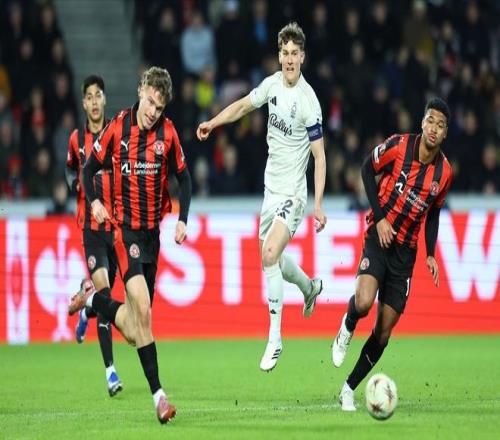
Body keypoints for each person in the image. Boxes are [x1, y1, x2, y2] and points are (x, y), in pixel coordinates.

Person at [197, 22, 327, 372]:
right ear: (279, 56)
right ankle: (309, 287)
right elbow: (242, 106)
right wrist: (214, 122)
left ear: (303, 57)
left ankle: (275, 338)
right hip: (270, 193)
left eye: (295, 53)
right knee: (273, 260)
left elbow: (319, 157)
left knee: (269, 253)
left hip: (293, 194)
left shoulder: (308, 102)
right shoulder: (271, 85)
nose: (289, 59)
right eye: (284, 53)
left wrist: (317, 204)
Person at [68, 67, 192, 424]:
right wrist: (94, 201)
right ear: (140, 91)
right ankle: (159, 398)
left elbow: (184, 178)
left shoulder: (168, 133)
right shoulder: (118, 128)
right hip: (126, 235)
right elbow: (87, 169)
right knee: (144, 312)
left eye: (159, 106)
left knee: (137, 331)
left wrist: (183, 218)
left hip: (152, 236)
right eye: (150, 102)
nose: (153, 111)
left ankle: (92, 301)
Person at [332, 97, 453, 411]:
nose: (434, 128)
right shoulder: (399, 146)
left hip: (405, 254)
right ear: (422, 122)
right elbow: (366, 169)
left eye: (440, 125)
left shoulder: (444, 173)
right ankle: (348, 324)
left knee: (384, 331)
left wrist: (430, 253)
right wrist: (381, 218)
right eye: (430, 121)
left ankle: (348, 389)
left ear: (445, 133)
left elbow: (434, 212)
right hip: (379, 237)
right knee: (363, 301)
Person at [65, 75, 123, 396]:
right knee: (106, 294)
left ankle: (86, 309)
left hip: (117, 230)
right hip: (92, 231)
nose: (95, 101)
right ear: (84, 103)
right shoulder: (77, 139)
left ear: (104, 99)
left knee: (105, 303)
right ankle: (110, 372)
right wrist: (75, 183)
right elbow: (69, 167)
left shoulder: (116, 134)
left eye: (99, 95)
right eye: (89, 96)